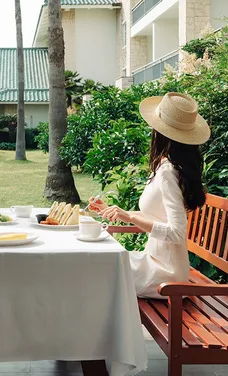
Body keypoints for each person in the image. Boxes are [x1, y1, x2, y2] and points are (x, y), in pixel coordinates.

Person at [90, 92, 210, 298]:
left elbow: (176, 232)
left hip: (167, 276)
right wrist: (114, 211)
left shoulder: (168, 173)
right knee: (100, 265)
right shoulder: (168, 167)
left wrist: (129, 217)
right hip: (155, 261)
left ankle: (116, 330)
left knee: (99, 273)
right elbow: (157, 216)